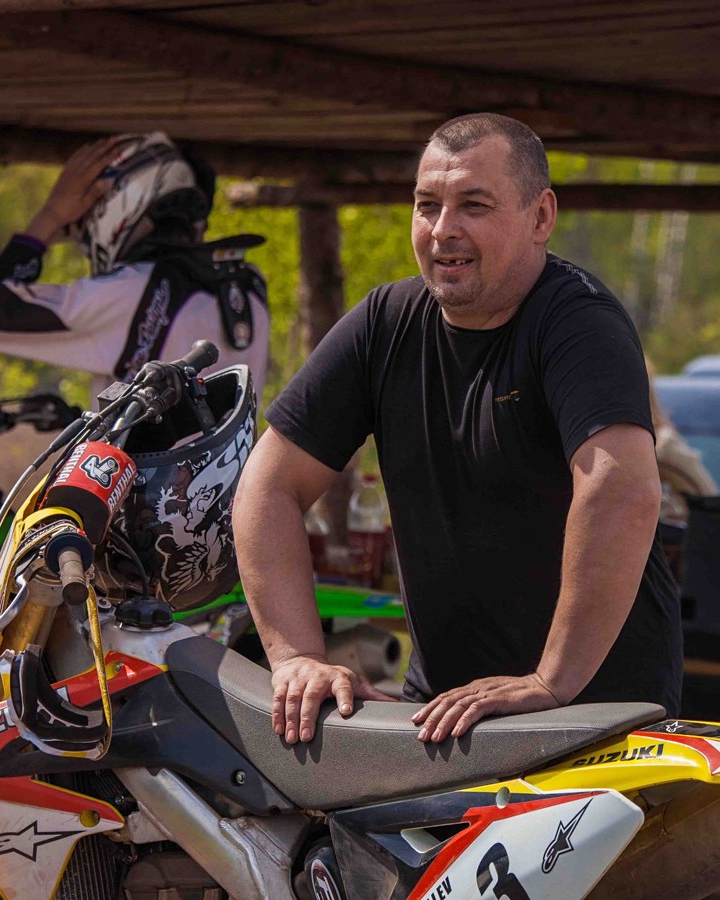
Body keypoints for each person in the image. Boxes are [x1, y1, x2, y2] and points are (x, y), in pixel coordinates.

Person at [234, 113, 681, 747]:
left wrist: (552, 681)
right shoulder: (384, 323)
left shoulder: (579, 323)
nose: (444, 229)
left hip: (595, 715)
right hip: (444, 712)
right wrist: (298, 657)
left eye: (474, 205)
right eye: (427, 205)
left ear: (540, 217)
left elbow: (622, 491)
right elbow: (268, 486)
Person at [0, 133, 270, 401]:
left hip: (139, 454)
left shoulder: (129, 293)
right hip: (237, 453)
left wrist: (52, 214)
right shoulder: (248, 281)